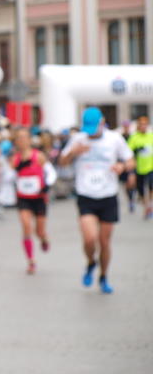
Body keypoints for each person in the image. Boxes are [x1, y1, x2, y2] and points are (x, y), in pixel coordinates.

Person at [59, 107, 134, 294]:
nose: (91, 133)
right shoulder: (78, 139)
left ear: (102, 123)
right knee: (89, 239)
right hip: (86, 195)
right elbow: (62, 162)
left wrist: (122, 166)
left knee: (104, 242)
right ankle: (91, 262)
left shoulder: (114, 138)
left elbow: (130, 160)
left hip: (108, 195)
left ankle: (103, 276)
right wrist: (73, 152)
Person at [12, 127, 51, 274]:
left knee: (39, 232)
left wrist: (46, 186)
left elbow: (50, 173)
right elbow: (9, 176)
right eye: (19, 138)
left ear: (29, 140)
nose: (21, 140)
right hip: (23, 198)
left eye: (24, 137)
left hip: (39, 198)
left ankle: (44, 238)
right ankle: (31, 261)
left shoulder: (38, 156)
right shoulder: (15, 159)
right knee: (26, 226)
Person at [127, 116, 153, 219]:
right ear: (138, 125)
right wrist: (136, 150)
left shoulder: (151, 136)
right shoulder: (134, 137)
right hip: (139, 168)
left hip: (151, 167)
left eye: (145, 124)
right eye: (141, 124)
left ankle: (150, 205)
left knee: (151, 187)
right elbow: (128, 152)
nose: (143, 126)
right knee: (141, 190)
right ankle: (146, 206)